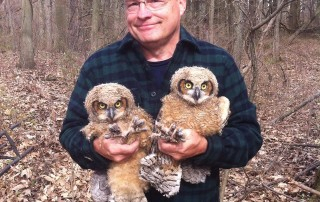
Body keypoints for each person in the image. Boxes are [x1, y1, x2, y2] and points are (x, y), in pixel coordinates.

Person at [59, 0, 263, 201]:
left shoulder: (217, 62)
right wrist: (97, 148)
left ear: (181, 4)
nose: (142, 13)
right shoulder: (99, 65)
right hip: (122, 193)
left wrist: (204, 147)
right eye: (133, 4)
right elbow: (70, 132)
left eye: (155, 1)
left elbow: (249, 137)